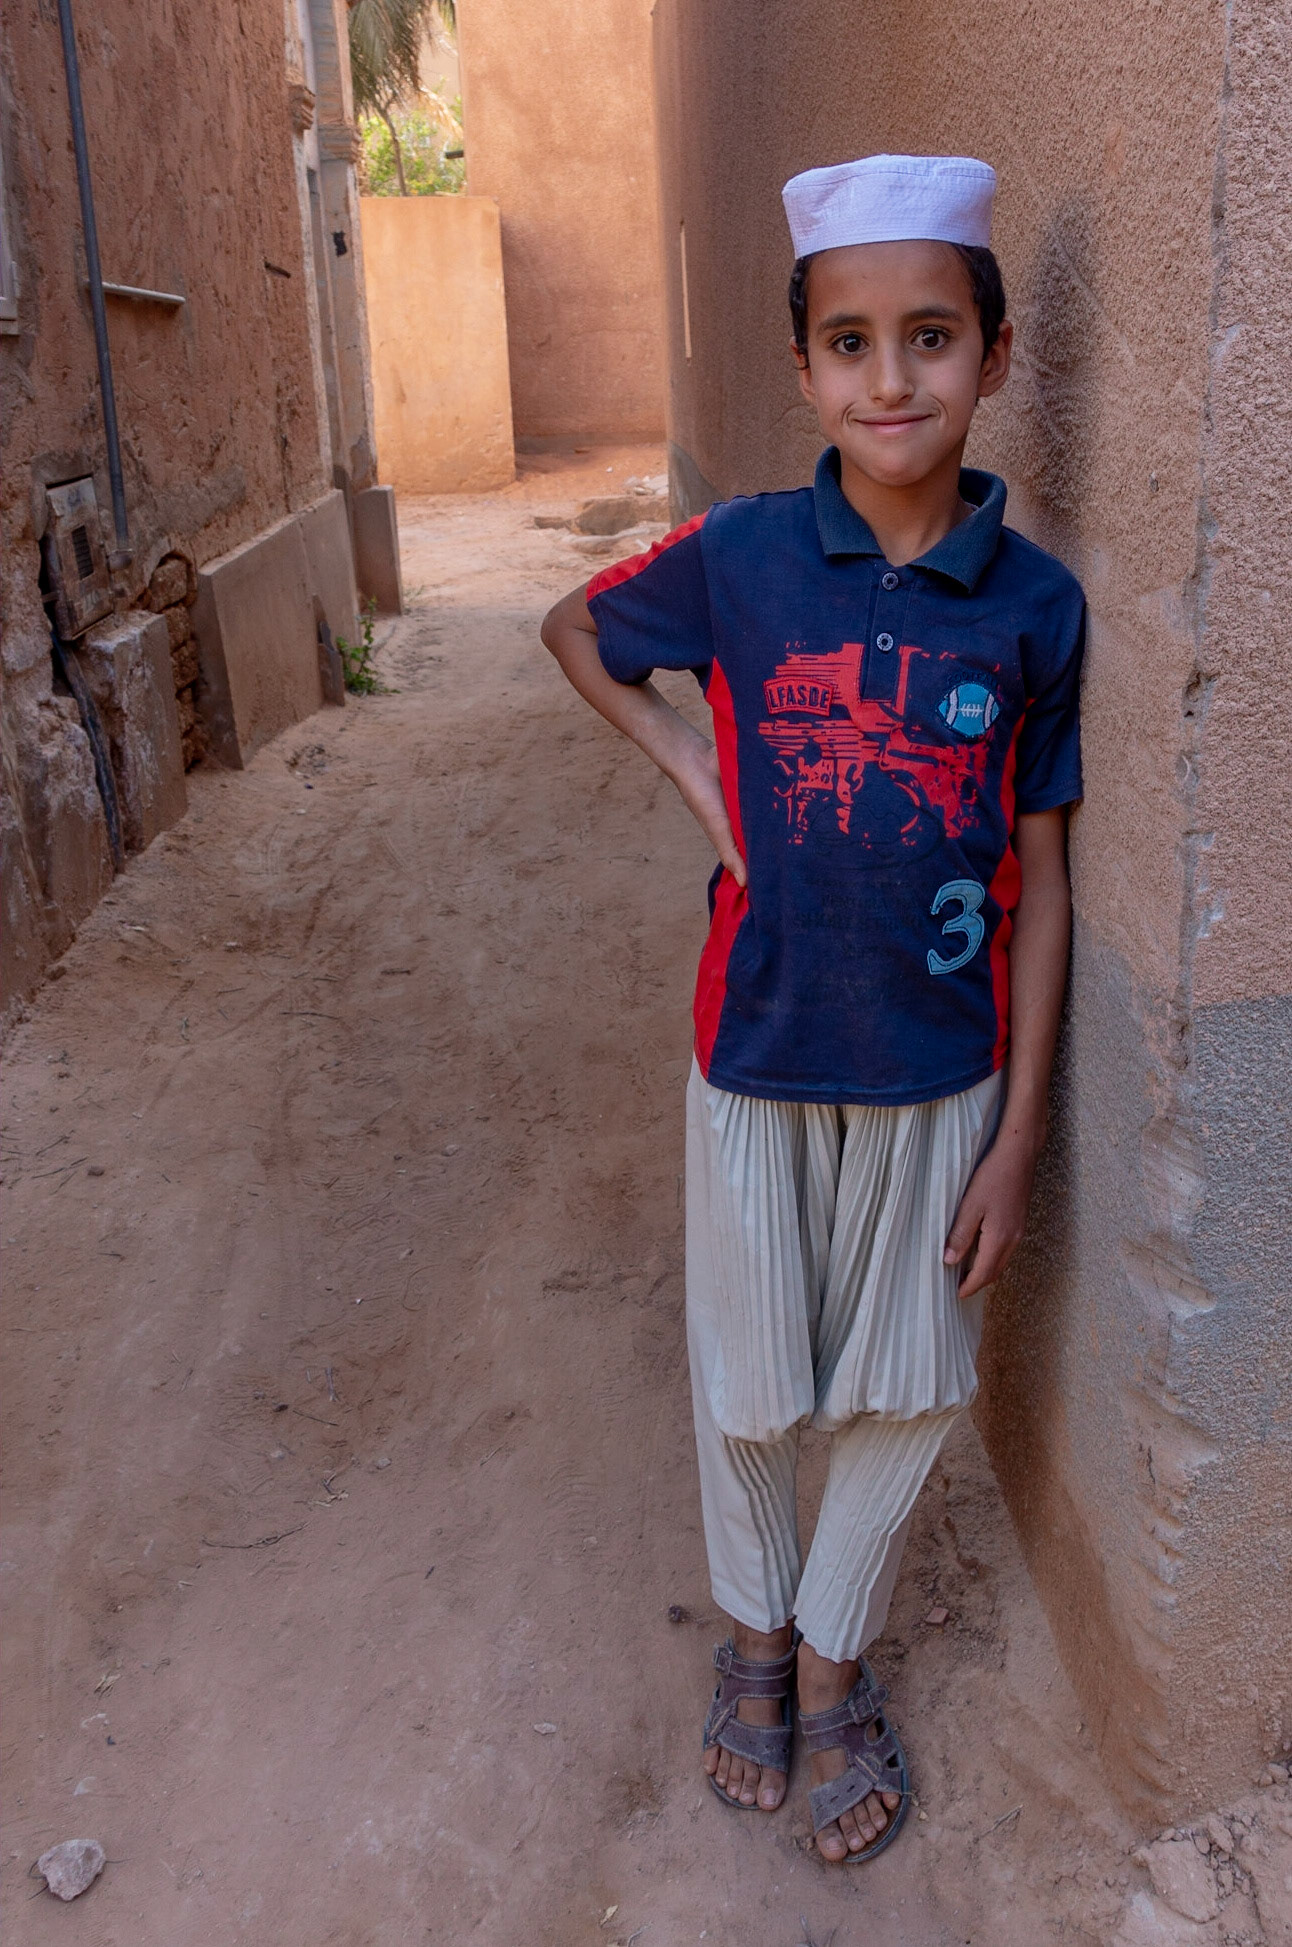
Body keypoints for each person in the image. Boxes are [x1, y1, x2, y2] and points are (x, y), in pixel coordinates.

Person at [541, 153, 1084, 1868]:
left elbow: (1048, 882)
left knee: (910, 1383)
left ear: (994, 358)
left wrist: (1020, 1137)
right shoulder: (749, 557)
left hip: (940, 1079)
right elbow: (578, 629)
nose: (892, 379)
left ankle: (837, 1665)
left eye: (932, 337)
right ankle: (755, 1642)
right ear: (804, 370)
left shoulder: (1037, 609)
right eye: (850, 343)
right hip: (757, 1057)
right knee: (756, 1377)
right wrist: (700, 763)